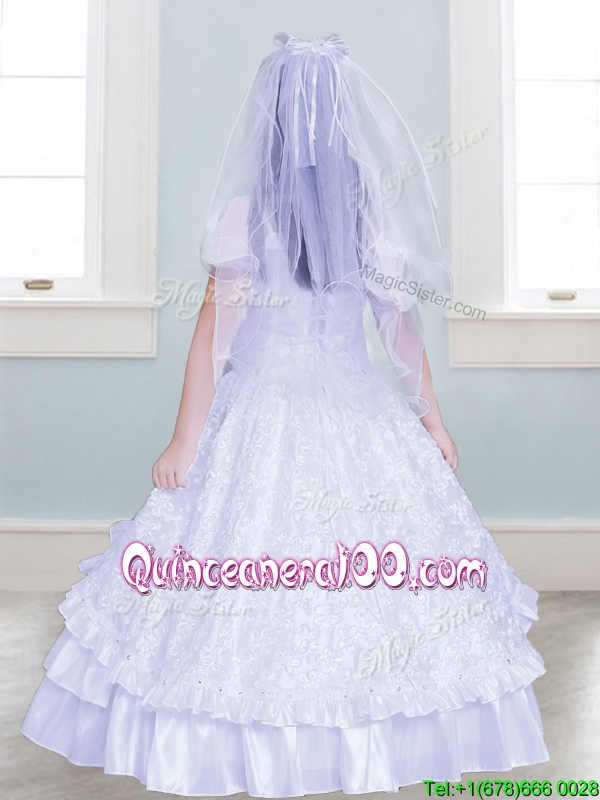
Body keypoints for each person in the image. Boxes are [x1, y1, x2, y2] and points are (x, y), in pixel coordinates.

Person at [21, 32, 548, 796]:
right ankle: (346, 742)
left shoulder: (259, 219)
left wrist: (187, 440)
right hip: (351, 411)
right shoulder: (362, 221)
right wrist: (429, 418)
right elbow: (399, 336)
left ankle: (278, 746)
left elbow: (214, 339)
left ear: (268, 124)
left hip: (266, 414)